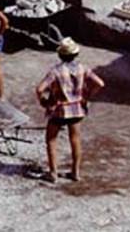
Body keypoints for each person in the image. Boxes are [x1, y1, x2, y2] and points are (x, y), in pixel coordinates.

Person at [35, 37, 105, 183]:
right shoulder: (83, 68)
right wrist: (87, 96)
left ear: (60, 55)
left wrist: (44, 102)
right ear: (75, 54)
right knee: (75, 140)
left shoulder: (55, 71)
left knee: (51, 140)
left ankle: (53, 173)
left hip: (58, 110)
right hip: (77, 108)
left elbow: (39, 89)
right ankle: (75, 172)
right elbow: (100, 83)